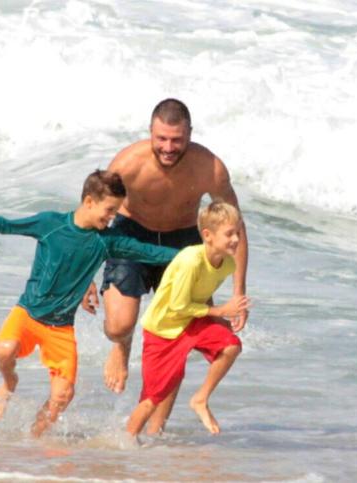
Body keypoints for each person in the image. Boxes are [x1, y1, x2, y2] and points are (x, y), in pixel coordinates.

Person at [0, 170, 178, 438]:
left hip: (60, 328)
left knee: (63, 396)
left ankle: (33, 440)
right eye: (109, 210)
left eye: (116, 211)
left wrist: (197, 254)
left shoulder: (106, 242)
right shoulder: (51, 223)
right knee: (5, 349)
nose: (112, 218)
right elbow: (7, 225)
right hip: (27, 314)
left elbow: (150, 252)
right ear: (89, 201)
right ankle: (9, 383)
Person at [80, 98, 249, 394]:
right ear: (150, 132)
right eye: (161, 139)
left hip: (183, 242)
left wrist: (238, 292)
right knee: (119, 325)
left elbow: (236, 226)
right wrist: (83, 276)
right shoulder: (128, 164)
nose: (168, 148)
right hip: (132, 236)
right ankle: (122, 346)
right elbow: (94, 216)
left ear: (190, 134)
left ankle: (157, 427)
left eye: (177, 140)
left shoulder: (210, 168)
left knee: (184, 334)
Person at [126, 201, 250, 437]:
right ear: (208, 235)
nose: (236, 239)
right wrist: (220, 312)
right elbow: (178, 305)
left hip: (191, 321)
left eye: (238, 232)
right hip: (163, 329)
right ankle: (127, 445)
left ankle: (200, 398)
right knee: (153, 398)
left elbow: (200, 296)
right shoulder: (190, 260)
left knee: (231, 346)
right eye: (229, 234)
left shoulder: (227, 263)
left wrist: (219, 322)